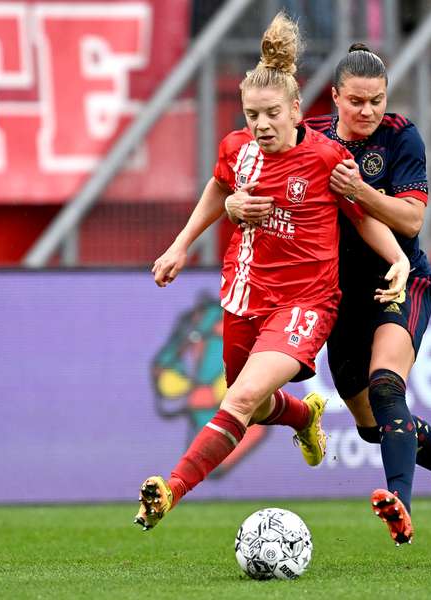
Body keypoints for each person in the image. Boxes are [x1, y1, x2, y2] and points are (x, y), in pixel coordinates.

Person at [134, 13, 411, 532]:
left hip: (306, 303)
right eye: (251, 114)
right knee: (255, 405)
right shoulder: (237, 149)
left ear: (296, 109)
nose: (260, 125)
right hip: (245, 295)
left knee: (235, 399)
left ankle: (170, 490)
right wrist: (180, 245)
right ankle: (305, 416)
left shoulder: (329, 158)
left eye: (270, 114)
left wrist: (397, 258)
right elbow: (219, 188)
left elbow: (363, 214)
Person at [228, 44, 431, 547]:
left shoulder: (402, 139)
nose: (368, 111)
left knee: (385, 387)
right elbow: (250, 175)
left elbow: (413, 220)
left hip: (401, 281)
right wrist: (233, 201)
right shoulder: (310, 138)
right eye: (356, 101)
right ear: (333, 97)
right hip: (338, 296)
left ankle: (400, 500)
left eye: (376, 100)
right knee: (375, 427)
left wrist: (361, 191)